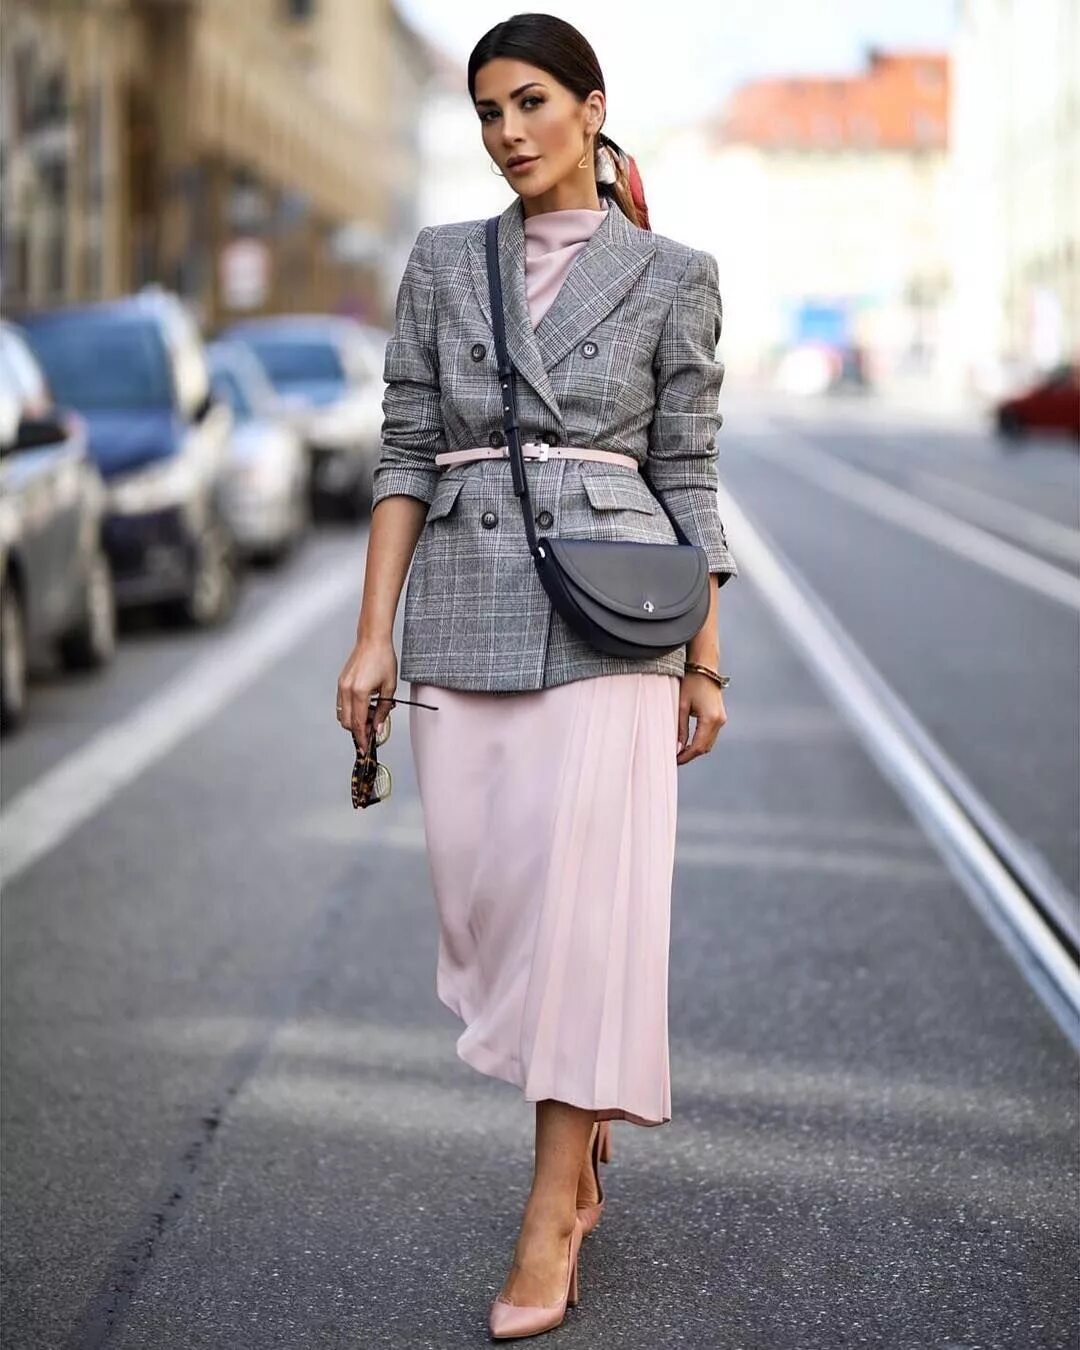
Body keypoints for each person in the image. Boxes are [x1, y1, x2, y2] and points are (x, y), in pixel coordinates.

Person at [336, 13, 738, 1340]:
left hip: (612, 624)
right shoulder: (447, 263)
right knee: (492, 906)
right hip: (463, 608)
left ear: (590, 106)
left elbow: (687, 472)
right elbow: (405, 448)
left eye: (530, 104)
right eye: (488, 113)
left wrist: (706, 657)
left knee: (580, 923)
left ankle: (550, 1207)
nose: (509, 133)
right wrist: (372, 631)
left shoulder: (672, 274)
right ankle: (583, 1102)